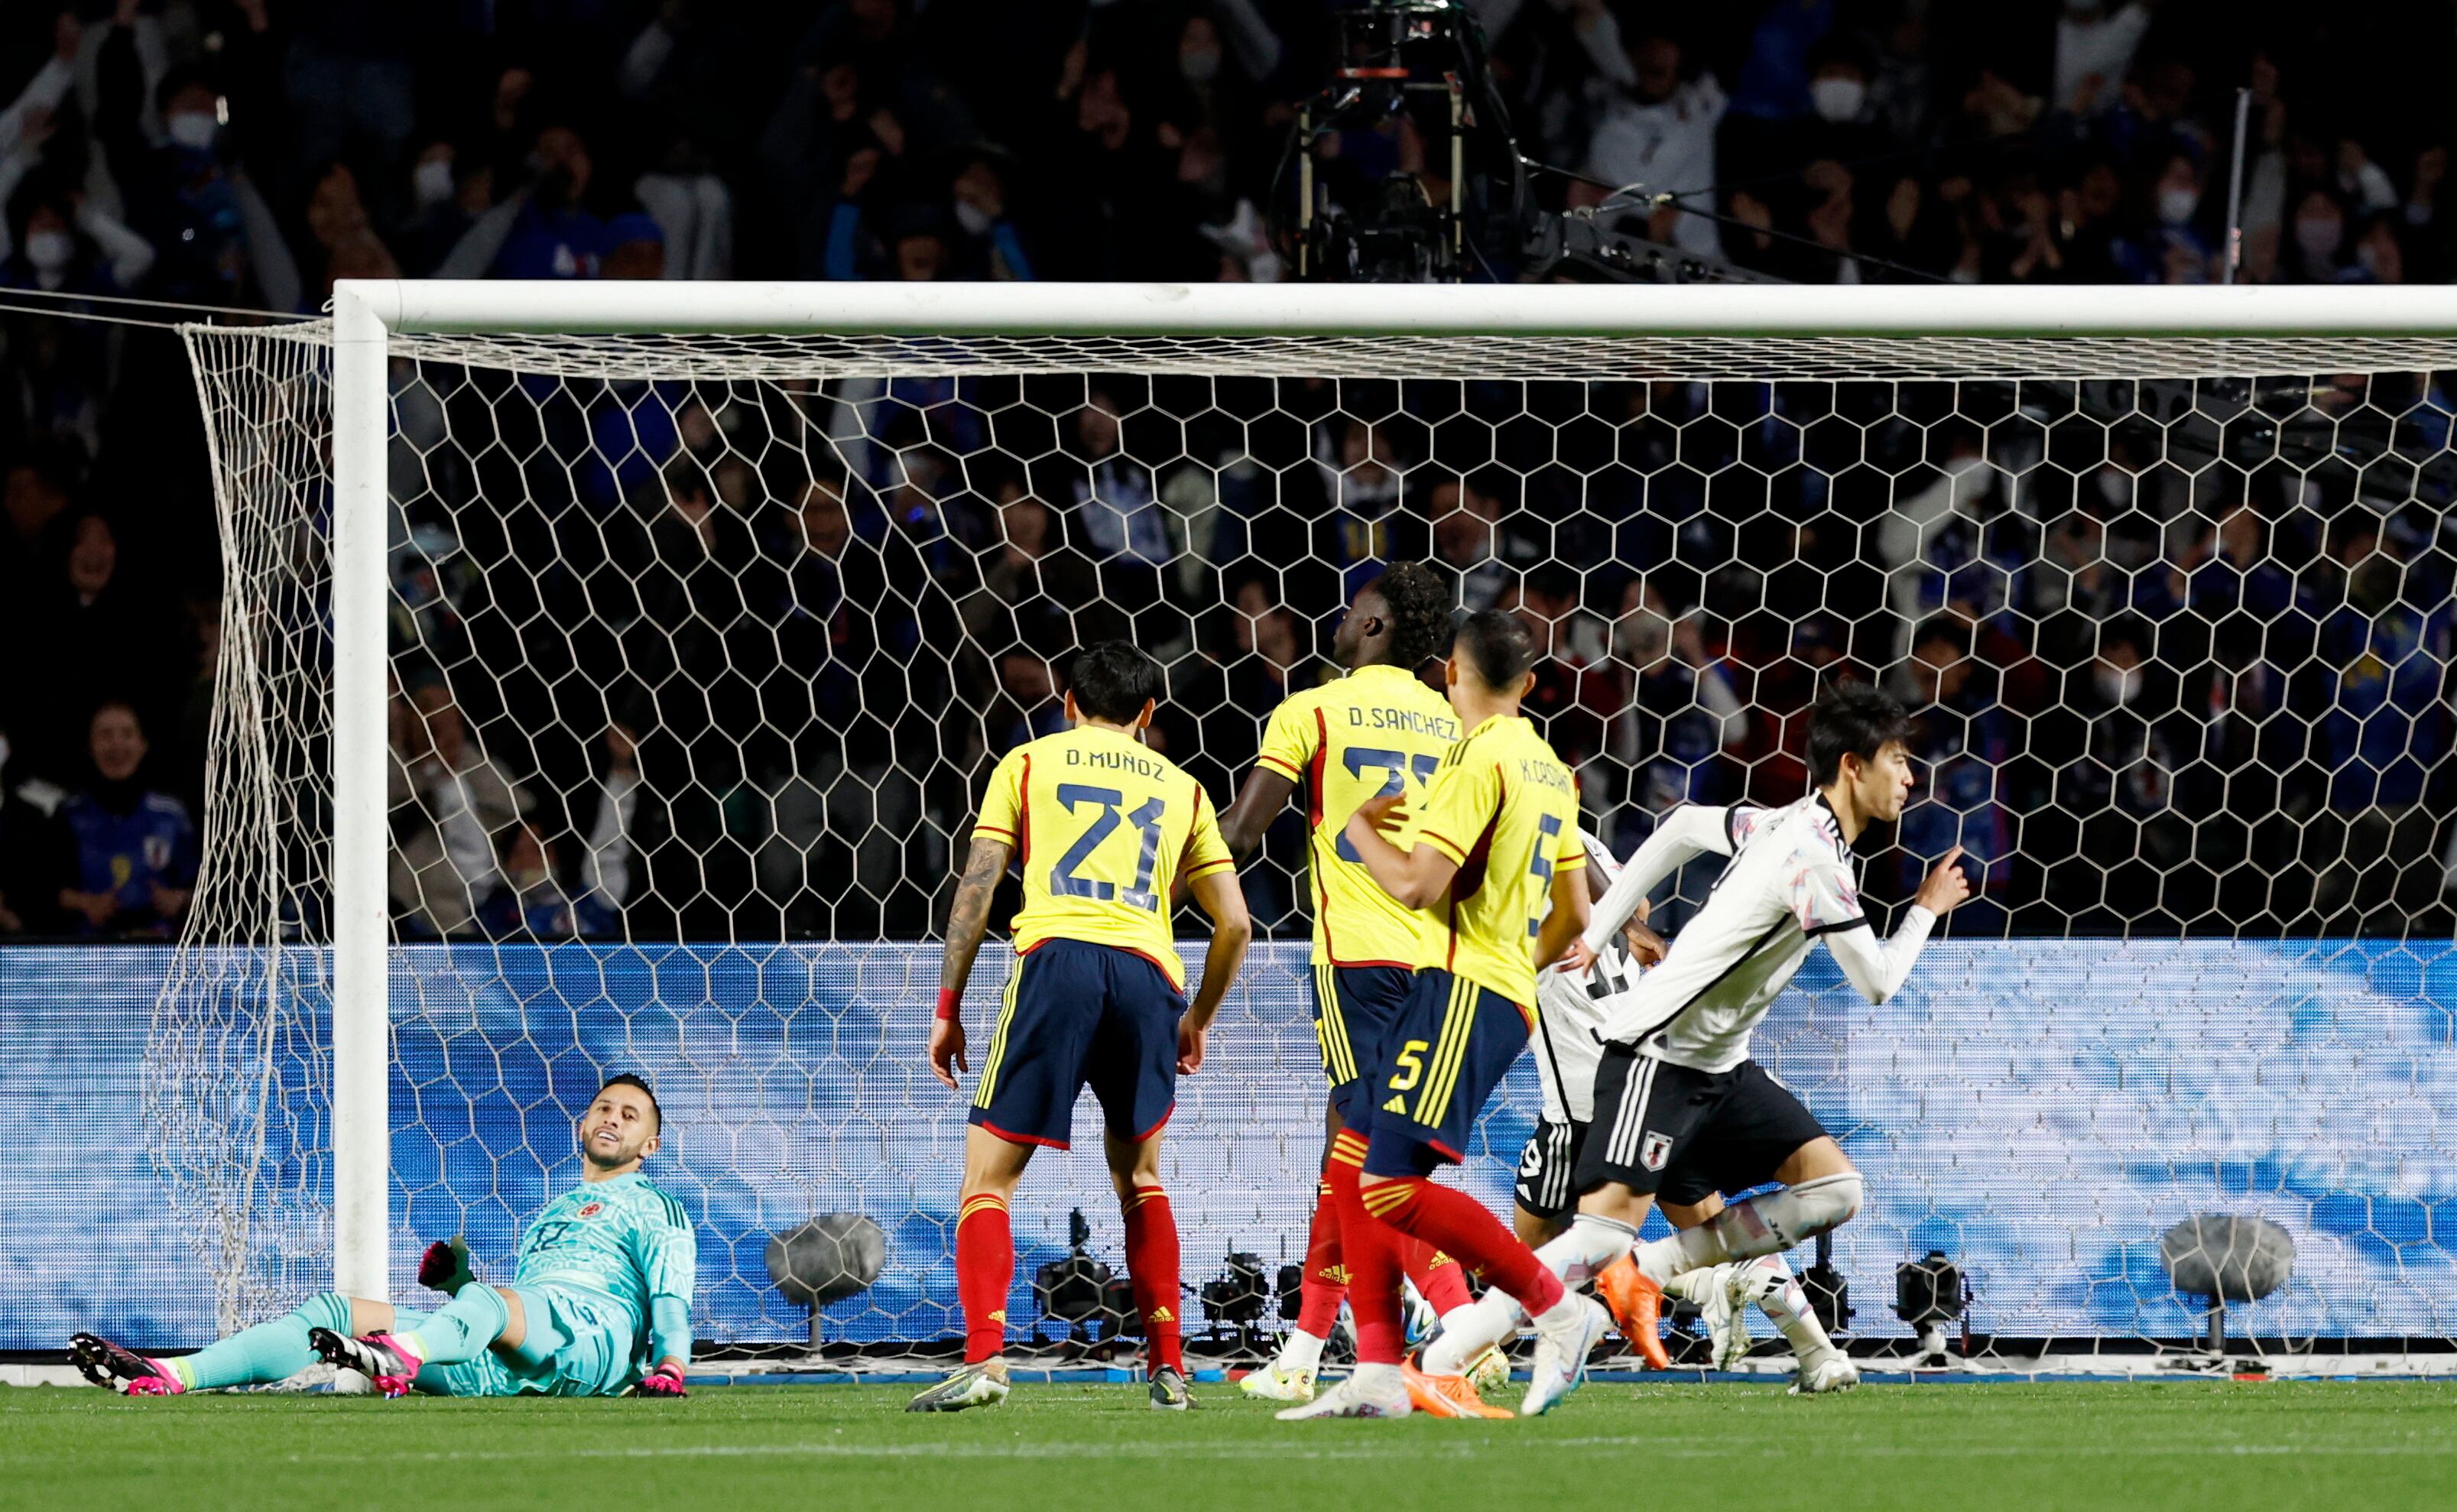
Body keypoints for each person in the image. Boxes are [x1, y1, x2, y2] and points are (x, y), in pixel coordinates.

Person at [1423, 684, 1971, 1396]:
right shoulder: (1815, 865)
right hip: (1656, 1059)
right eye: (1898, 760)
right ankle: (1438, 1361)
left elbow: (1681, 826)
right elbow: (1877, 984)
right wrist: (1925, 910)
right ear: (1852, 767)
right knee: (1588, 1242)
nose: (1910, 777)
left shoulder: (1778, 823)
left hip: (1722, 1068)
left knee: (1836, 1189)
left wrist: (1598, 931)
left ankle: (1649, 1273)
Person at [1282, 609, 1608, 1422]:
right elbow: (1573, 917)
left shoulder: (1477, 757)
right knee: (1362, 1161)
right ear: (1528, 684)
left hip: (1458, 986)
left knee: (1389, 1187)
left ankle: (1556, 1310)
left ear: (1448, 675)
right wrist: (1514, 967)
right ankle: (1379, 1374)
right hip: (1491, 990)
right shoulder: (1548, 766)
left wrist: (1350, 824)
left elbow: (1416, 885)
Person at [914, 641, 1251, 1413]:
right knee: (1140, 1177)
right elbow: (1235, 922)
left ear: (1067, 704)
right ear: (1147, 715)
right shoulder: (1185, 789)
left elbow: (978, 882)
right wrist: (1196, 1015)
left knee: (988, 1180)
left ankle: (986, 1362)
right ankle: (1168, 1368)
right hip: (1147, 974)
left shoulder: (1028, 764)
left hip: (1057, 962)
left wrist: (947, 1004)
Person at [1214, 565, 1485, 1407]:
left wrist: (1165, 848)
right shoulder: (1456, 724)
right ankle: (1302, 1345)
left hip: (1357, 958)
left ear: (1374, 629)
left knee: (1371, 1167)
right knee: (1351, 1151)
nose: (1337, 619)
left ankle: (1462, 1324)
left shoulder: (1312, 710)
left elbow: (1244, 831)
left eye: (1351, 610)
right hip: (1442, 962)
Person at [73, 1076, 695, 1400]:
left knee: (489, 1304)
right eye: (604, 1108)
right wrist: (460, 1285)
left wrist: (670, 1366)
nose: (613, 1117)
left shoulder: (657, 1206)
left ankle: (398, 1354)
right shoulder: (554, 1210)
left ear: (650, 1146)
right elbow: (507, 1318)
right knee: (338, 1310)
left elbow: (670, 1299)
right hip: (511, 1361)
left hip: (596, 1347)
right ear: (581, 1123)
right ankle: (177, 1372)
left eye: (629, 1114)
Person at [51, 701, 194, 938]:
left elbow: (205, 885)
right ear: (90, 746)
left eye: (127, 734)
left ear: (143, 744)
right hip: (87, 951)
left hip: (160, 947)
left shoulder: (172, 815)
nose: (116, 744)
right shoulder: (70, 814)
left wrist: (179, 899)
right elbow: (44, 888)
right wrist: (85, 903)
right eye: (106, 735)